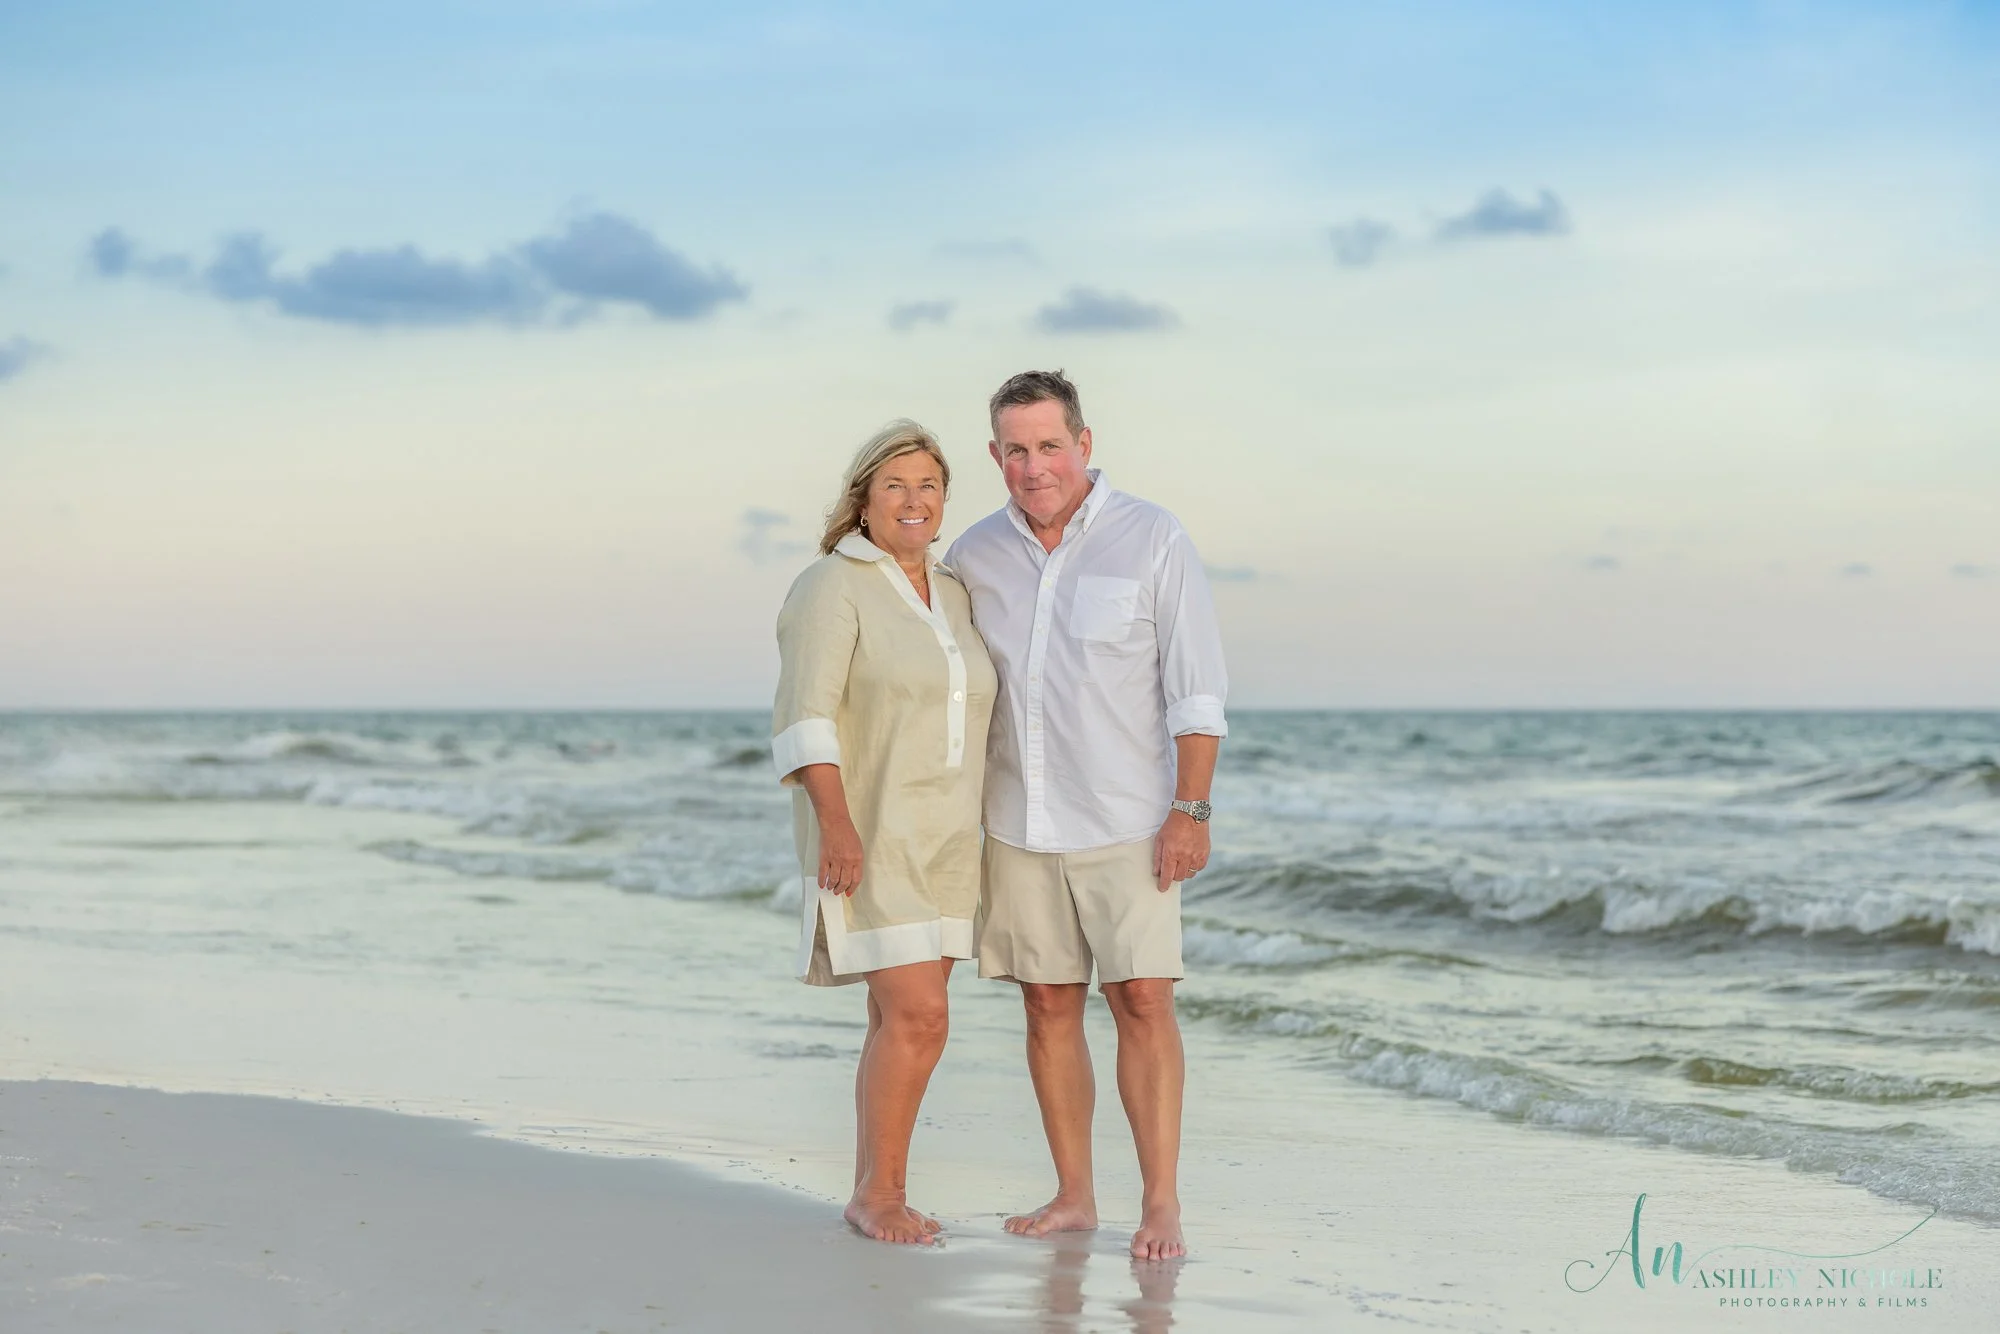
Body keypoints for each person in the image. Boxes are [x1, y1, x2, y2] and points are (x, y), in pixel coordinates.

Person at [944, 370, 1227, 1262]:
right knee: (1045, 1008)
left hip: (1129, 820)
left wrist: (1190, 809)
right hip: (1017, 822)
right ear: (996, 457)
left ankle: (1162, 1206)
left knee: (1143, 1000)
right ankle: (1073, 1194)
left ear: (1085, 444)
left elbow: (1197, 689)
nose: (1035, 467)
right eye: (1017, 451)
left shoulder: (1153, 538)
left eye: (1050, 446)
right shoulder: (974, 554)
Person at [770, 420, 997, 1245]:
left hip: (949, 838)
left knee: (895, 1020)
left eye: (929, 485)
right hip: (872, 831)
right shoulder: (832, 584)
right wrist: (836, 823)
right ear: (863, 500)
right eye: (895, 485)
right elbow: (804, 717)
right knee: (920, 1017)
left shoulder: (956, 589)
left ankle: (873, 1188)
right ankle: (882, 1195)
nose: (914, 500)